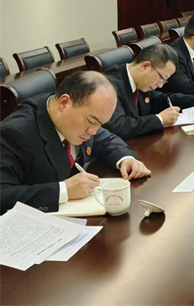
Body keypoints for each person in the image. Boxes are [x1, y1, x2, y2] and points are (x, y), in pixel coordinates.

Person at [0, 71, 151, 215]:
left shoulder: (78, 117)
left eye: (100, 124)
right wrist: (64, 190)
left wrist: (126, 159)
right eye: (91, 121)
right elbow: (3, 195)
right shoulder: (14, 134)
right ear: (64, 103)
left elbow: (105, 139)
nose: (93, 131)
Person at [104, 44, 194, 139]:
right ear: (145, 66)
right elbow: (119, 126)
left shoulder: (139, 81)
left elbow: (159, 99)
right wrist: (160, 119)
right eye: (161, 78)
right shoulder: (109, 85)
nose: (160, 85)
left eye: (164, 81)